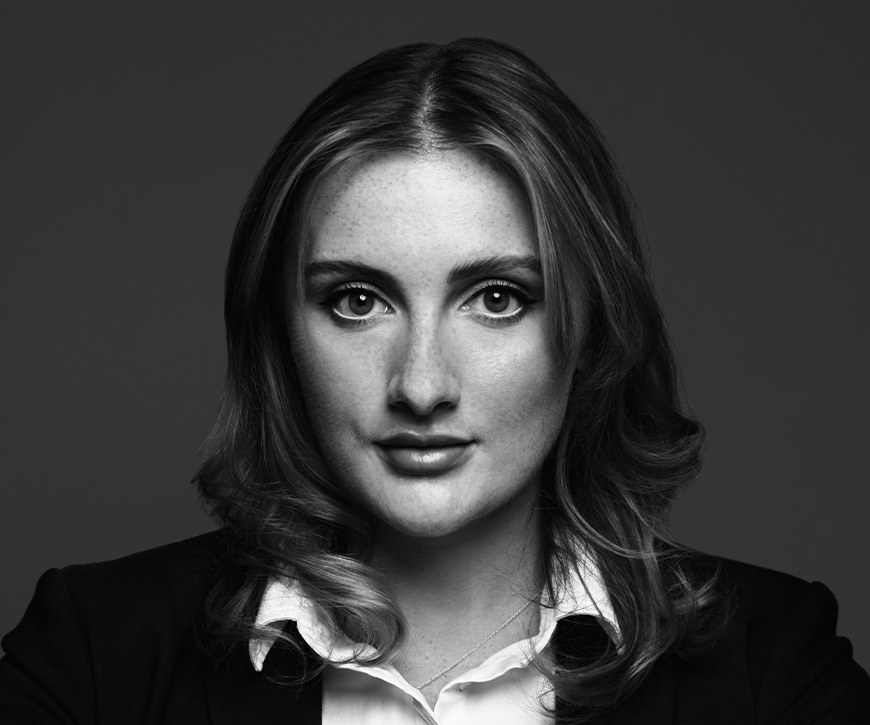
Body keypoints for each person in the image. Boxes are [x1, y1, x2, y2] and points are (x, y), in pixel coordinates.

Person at [1, 37, 868, 725]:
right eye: (357, 300)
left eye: (497, 298)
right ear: (280, 335)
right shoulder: (92, 656)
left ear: (590, 326)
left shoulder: (772, 665)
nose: (421, 385)